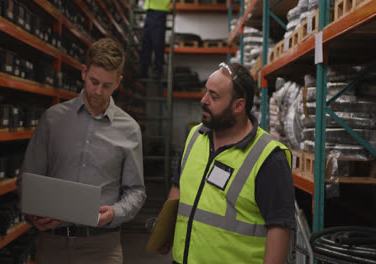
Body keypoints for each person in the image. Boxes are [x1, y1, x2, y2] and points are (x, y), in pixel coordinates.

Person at [19, 38, 146, 264]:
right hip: (52, 245)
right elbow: (28, 179)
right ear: (84, 72)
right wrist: (34, 214)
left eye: (107, 85)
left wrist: (114, 214)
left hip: (102, 247)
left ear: (118, 82)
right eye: (94, 81)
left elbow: (136, 191)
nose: (98, 91)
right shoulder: (53, 119)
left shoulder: (130, 130)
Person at [159, 62, 295, 263]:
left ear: (238, 105)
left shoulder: (269, 157)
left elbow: (279, 228)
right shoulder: (195, 136)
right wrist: (165, 232)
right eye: (205, 92)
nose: (203, 100)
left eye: (213, 97)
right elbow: (178, 186)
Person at [139, 0, 171, 79]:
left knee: (157, 42)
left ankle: (158, 70)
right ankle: (144, 70)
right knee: (146, 41)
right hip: (150, 10)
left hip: (159, 10)